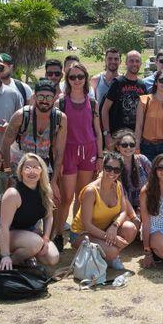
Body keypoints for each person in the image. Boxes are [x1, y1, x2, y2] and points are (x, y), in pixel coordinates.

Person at [56, 62, 103, 249]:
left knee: (81, 197)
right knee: (66, 198)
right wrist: (57, 159)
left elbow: (98, 132)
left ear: (85, 78)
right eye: (72, 77)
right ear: (67, 79)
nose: (76, 80)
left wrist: (100, 156)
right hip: (68, 151)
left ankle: (76, 233)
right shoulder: (61, 102)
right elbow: (56, 134)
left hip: (89, 151)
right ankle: (58, 233)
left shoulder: (92, 102)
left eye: (80, 77)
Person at [0, 80, 66, 204]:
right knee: (15, 204)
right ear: (35, 96)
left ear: (55, 98)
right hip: (18, 167)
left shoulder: (60, 119)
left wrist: (53, 181)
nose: (44, 100)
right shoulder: (21, 115)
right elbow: (4, 145)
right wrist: (8, 173)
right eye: (40, 96)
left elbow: (59, 151)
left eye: (49, 97)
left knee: (42, 205)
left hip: (41, 168)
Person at [71, 152, 138, 268]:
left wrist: (114, 226)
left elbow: (123, 211)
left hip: (105, 229)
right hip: (82, 233)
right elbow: (87, 225)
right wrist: (111, 238)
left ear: (120, 172)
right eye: (108, 168)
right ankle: (106, 255)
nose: (112, 173)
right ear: (103, 167)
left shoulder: (118, 185)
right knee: (112, 251)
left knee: (130, 229)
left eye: (116, 170)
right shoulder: (91, 191)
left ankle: (105, 256)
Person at [0, 153, 60, 270]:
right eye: (27, 168)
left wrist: (46, 238)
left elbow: (48, 216)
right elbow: (4, 226)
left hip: (29, 232)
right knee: (35, 243)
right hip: (4, 234)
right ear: (21, 171)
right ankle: (6, 262)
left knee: (52, 258)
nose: (32, 172)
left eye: (35, 167)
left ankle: (26, 255)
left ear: (41, 171)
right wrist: (5, 255)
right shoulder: (13, 194)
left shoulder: (46, 190)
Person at [102, 50, 147, 150]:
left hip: (134, 137)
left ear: (140, 63)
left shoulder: (142, 85)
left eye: (137, 61)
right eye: (131, 61)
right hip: (116, 136)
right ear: (126, 63)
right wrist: (107, 134)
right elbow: (105, 110)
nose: (134, 64)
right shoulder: (117, 82)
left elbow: (143, 113)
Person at [112, 128, 152, 211]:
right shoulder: (113, 165)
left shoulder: (142, 160)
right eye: (124, 145)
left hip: (145, 204)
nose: (129, 147)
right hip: (122, 207)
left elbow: (154, 180)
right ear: (117, 147)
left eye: (132, 144)